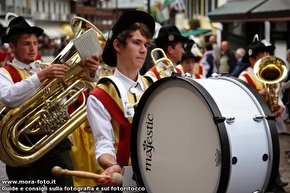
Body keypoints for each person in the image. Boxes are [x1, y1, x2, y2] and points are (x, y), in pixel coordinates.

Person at [0, 15, 99, 192]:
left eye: (35, 43)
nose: (33, 48)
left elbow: (80, 84)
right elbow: (8, 97)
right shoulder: (4, 72)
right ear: (12, 47)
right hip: (23, 146)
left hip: (56, 143)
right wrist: (42, 76)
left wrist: (91, 72)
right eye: (26, 44)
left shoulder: (45, 66)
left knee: (65, 187)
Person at [86, 10, 155, 190]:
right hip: (125, 181)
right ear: (117, 45)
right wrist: (111, 164)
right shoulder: (100, 96)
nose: (143, 50)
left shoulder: (154, 86)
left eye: (145, 44)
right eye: (136, 43)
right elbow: (103, 143)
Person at [238, 35, 288, 193]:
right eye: (262, 55)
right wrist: (260, 92)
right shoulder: (244, 77)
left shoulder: (270, 72)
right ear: (252, 60)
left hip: (271, 121)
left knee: (274, 153)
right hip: (255, 124)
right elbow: (242, 101)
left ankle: (276, 181)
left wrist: (281, 108)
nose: (267, 57)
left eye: (267, 54)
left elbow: (277, 97)